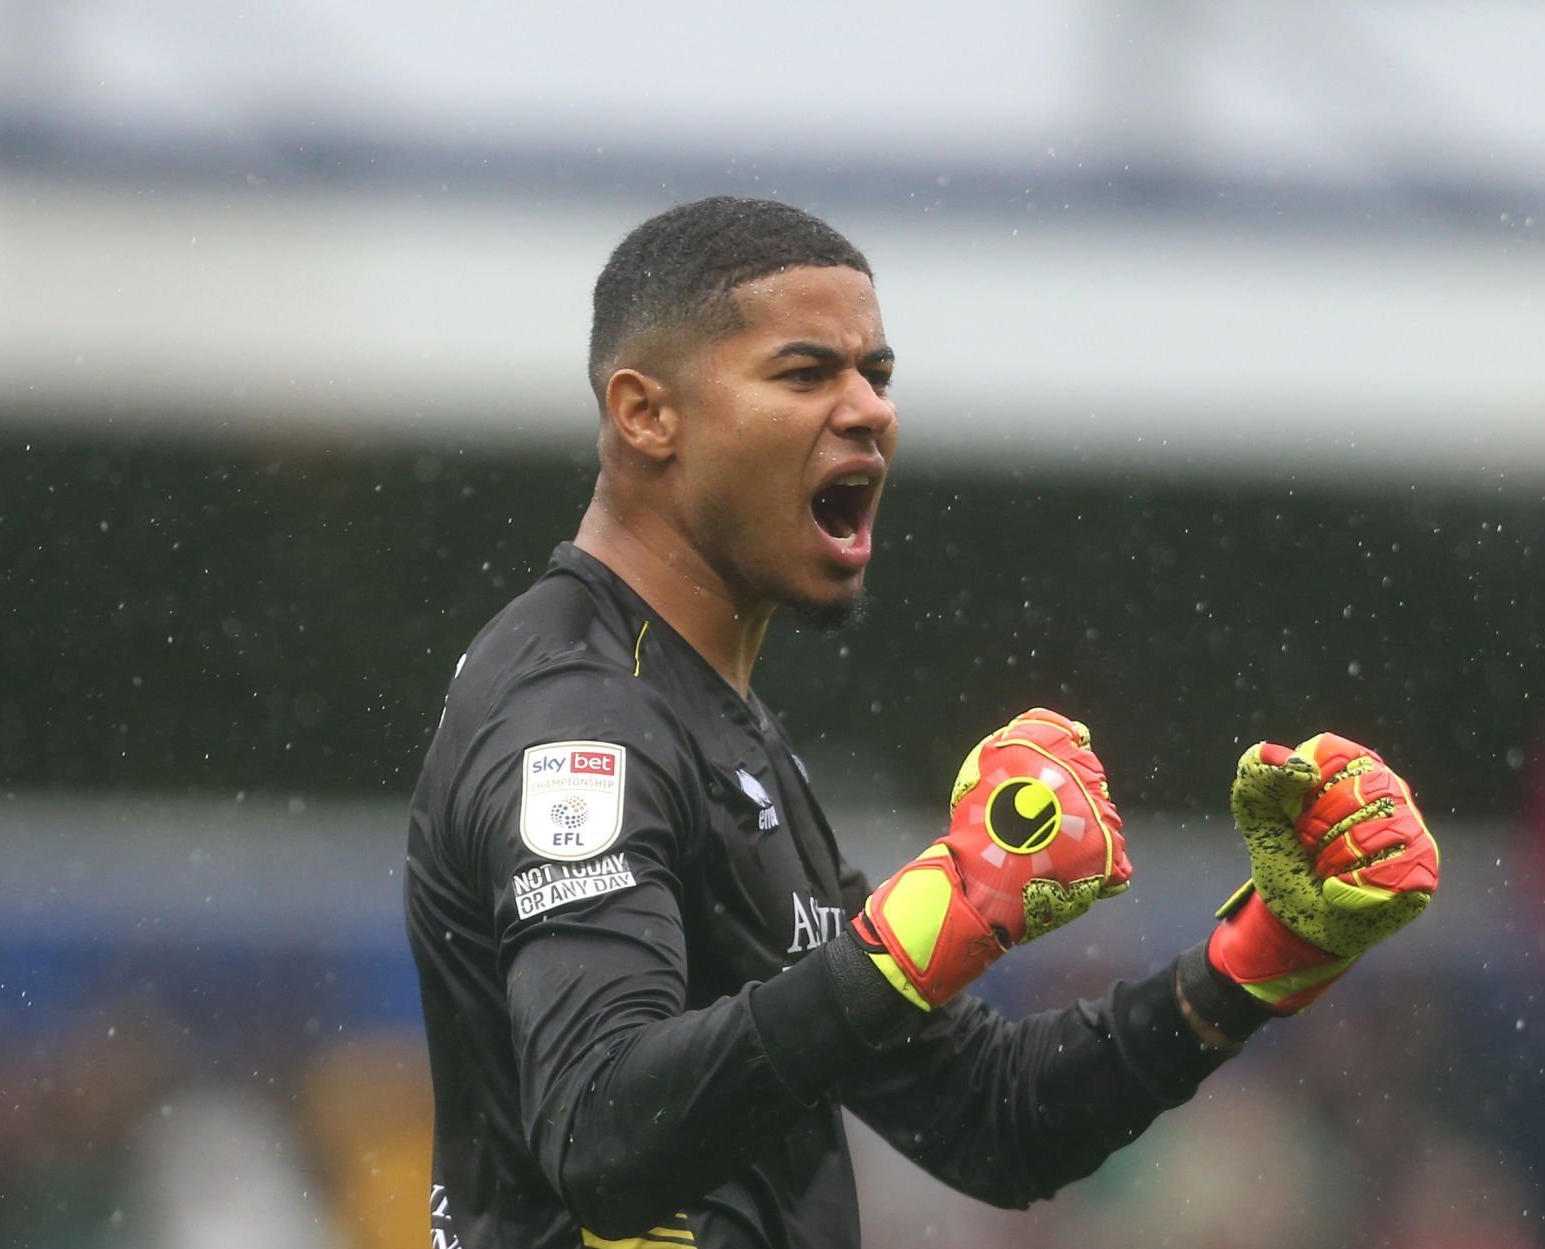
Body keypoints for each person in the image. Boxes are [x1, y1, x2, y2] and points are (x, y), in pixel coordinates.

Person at [402, 196, 1440, 1249]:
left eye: (877, 375)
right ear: (644, 414)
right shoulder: (579, 717)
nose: (868, 411)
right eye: (805, 374)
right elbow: (597, 1136)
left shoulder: (719, 725)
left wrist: (1253, 961)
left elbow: (990, 1120)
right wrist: (941, 914)